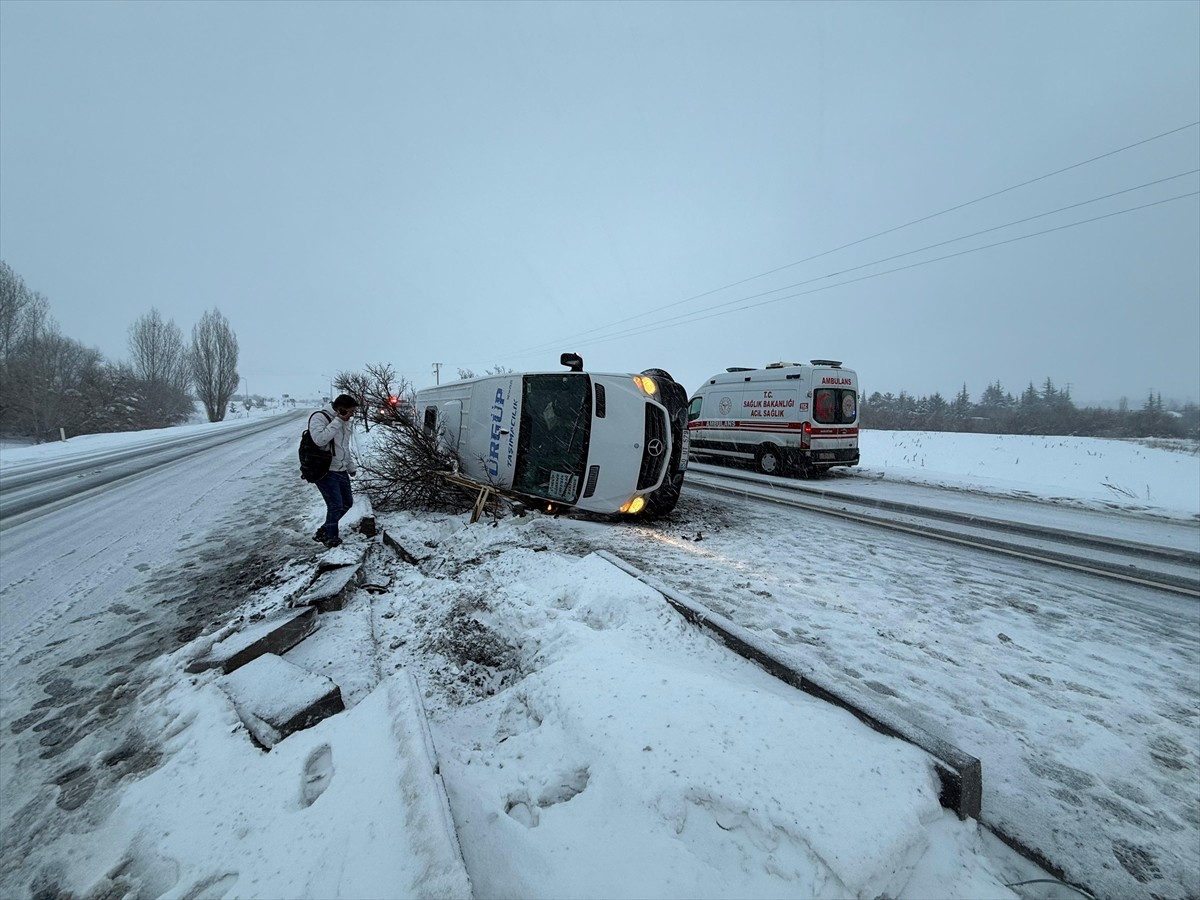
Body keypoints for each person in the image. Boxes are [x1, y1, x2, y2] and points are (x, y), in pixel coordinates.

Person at [309, 393, 358, 548]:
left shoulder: (344, 422)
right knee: (335, 504)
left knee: (347, 503)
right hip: (325, 470)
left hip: (341, 468)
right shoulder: (320, 418)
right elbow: (320, 440)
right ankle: (332, 539)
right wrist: (337, 421)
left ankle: (325, 530)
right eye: (350, 412)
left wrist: (350, 466)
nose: (352, 415)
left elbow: (343, 446)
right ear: (340, 410)